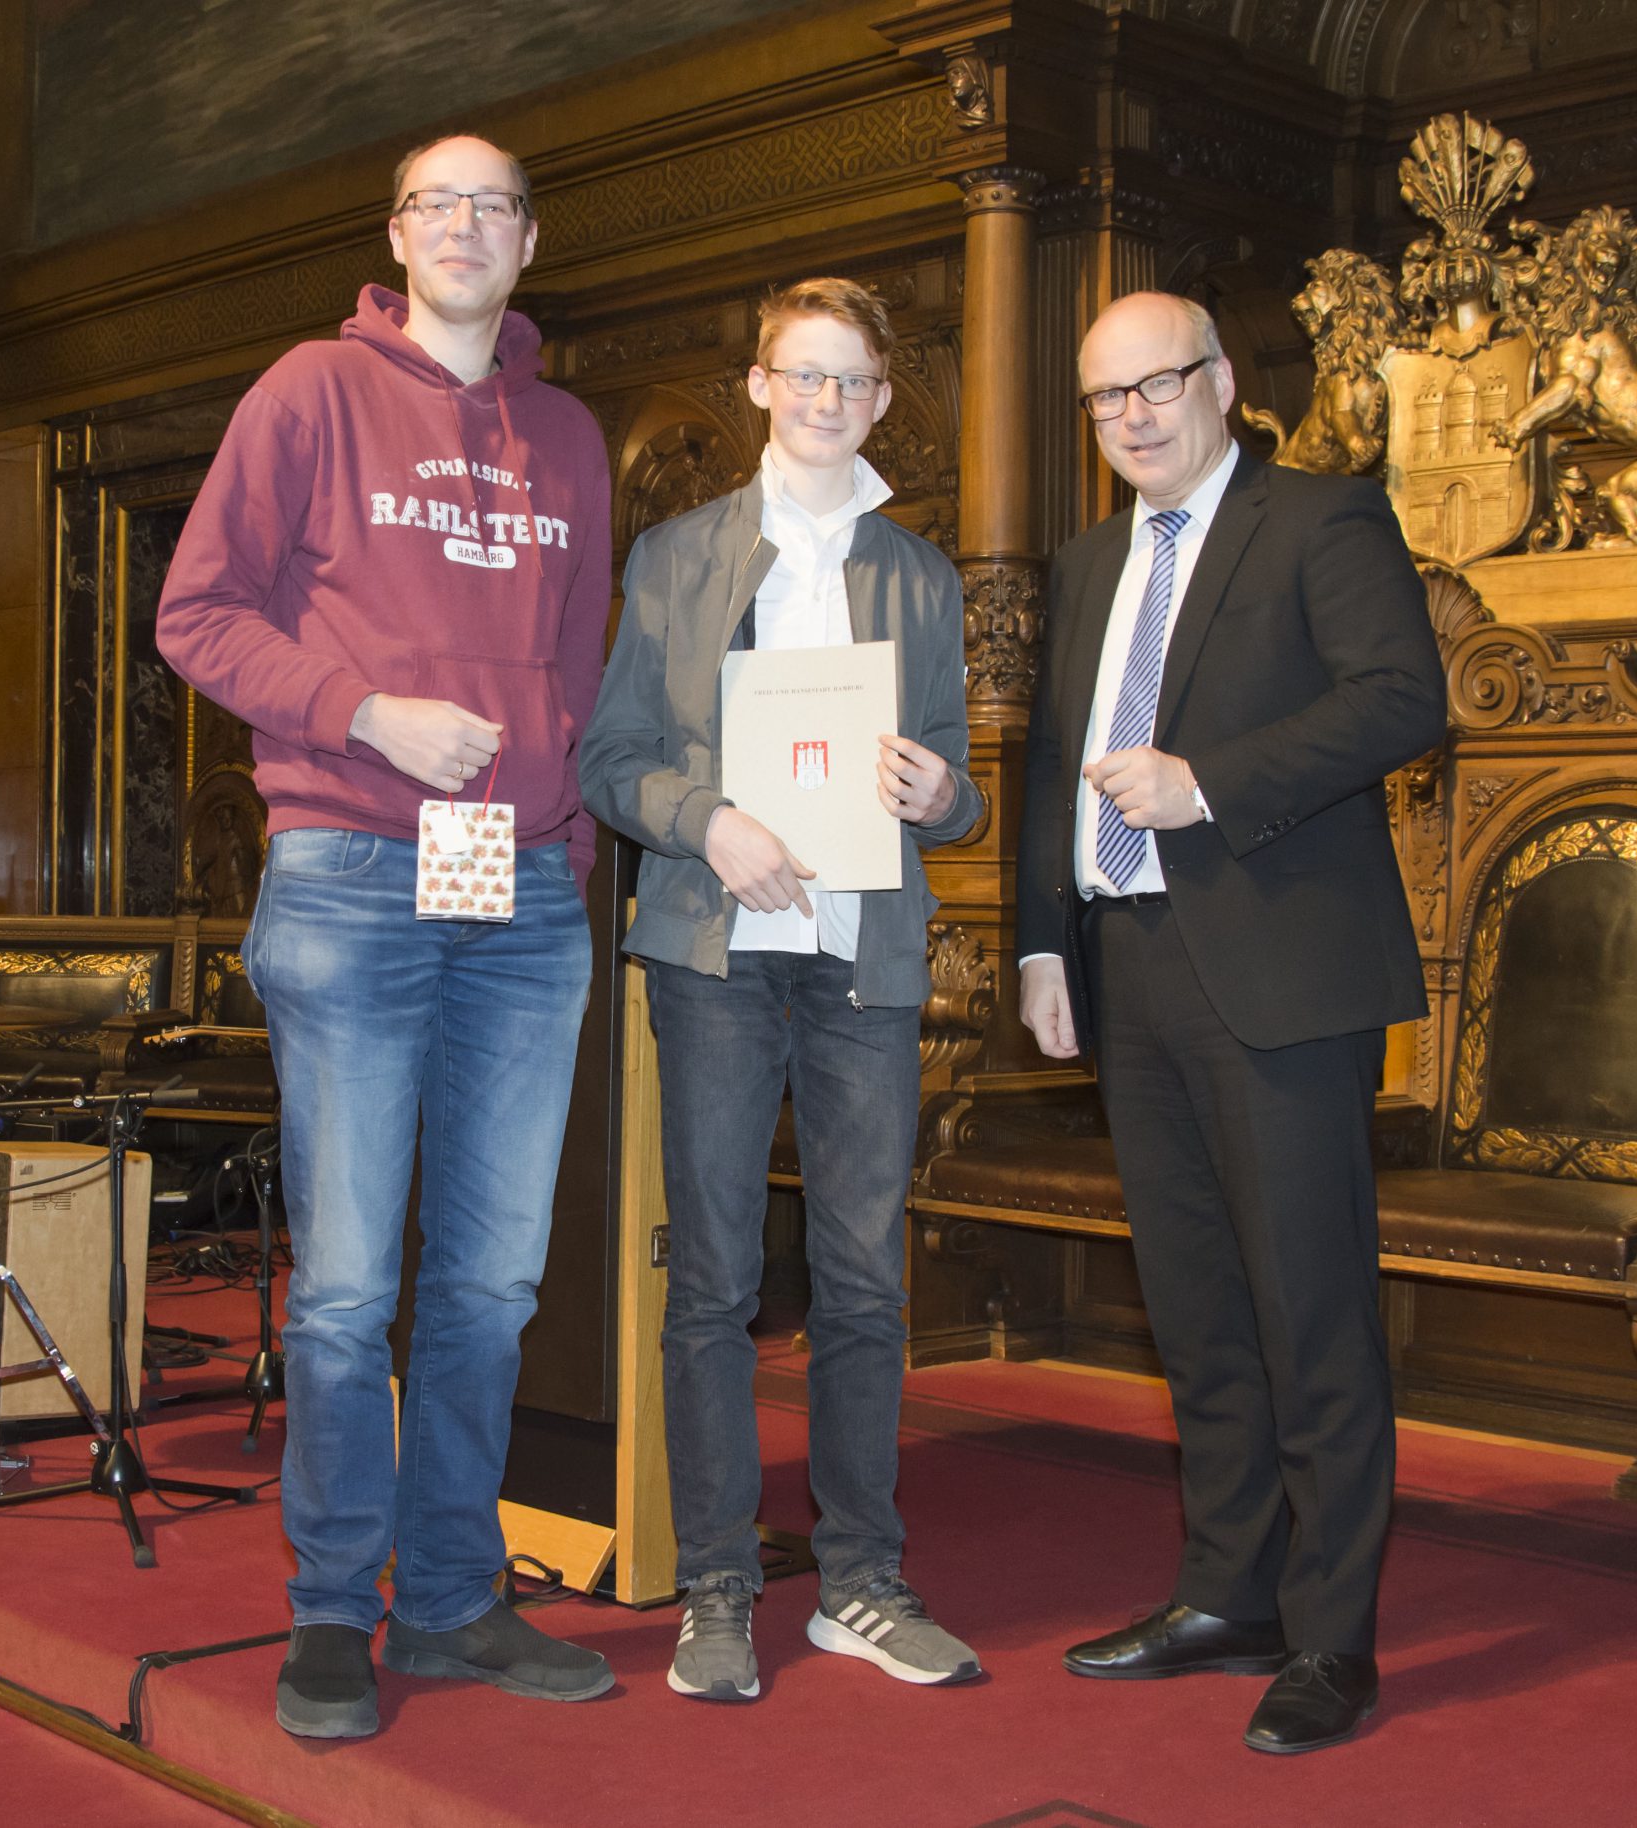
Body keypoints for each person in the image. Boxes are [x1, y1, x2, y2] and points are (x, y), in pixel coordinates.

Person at [155, 133, 615, 1740]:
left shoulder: (568, 435)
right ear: (399, 235)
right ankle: (335, 1610)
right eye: (439, 202)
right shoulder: (310, 391)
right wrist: (362, 712)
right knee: (351, 1287)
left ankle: (453, 1600)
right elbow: (196, 613)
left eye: (496, 205)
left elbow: (580, 667)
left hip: (520, 887)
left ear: (530, 242)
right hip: (352, 864)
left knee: (491, 1283)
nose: (466, 225)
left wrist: (571, 843)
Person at [1015, 291, 1444, 1754]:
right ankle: (1227, 1592)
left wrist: (1208, 783)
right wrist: (1043, 938)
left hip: (1279, 974)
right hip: (1126, 965)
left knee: (1308, 1312)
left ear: (1219, 380)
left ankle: (1332, 1636)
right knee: (1195, 1311)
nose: (1132, 418)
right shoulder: (1088, 561)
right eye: (1105, 399)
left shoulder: (1321, 519)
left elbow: (1403, 699)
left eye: (1157, 385)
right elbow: (1052, 758)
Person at [580, 277, 984, 1703]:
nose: (826, 400)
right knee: (716, 1281)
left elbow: (957, 786)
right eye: (801, 374)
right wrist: (709, 824)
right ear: (758, 384)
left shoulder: (922, 574)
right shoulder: (676, 553)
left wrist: (942, 794)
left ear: (880, 399)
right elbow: (611, 761)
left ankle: (861, 1581)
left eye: (851, 380)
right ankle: (717, 1587)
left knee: (867, 1282)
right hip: (716, 956)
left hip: (864, 953)